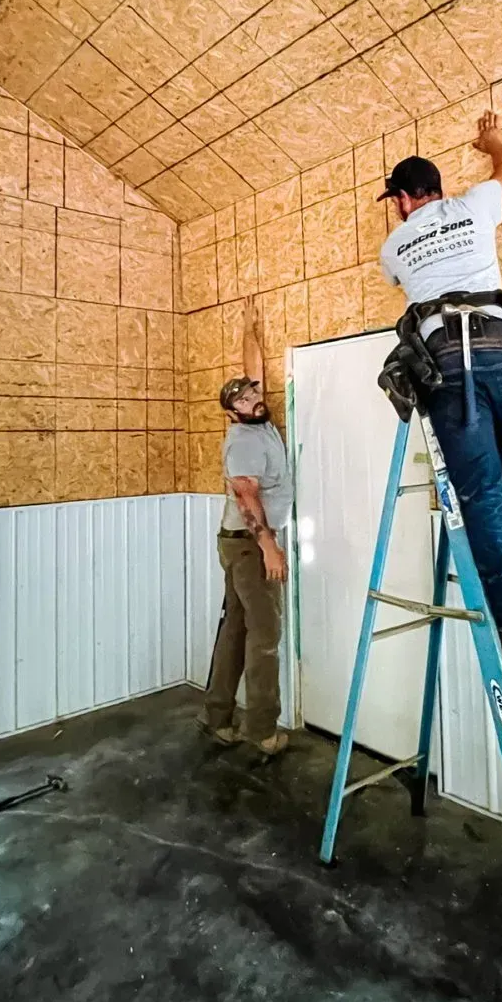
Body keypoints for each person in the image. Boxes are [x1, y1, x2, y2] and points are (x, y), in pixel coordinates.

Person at [378, 109, 502, 665]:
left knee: (483, 493)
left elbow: (396, 280)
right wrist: (490, 141)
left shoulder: (395, 246)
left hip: (447, 368)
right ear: (436, 189)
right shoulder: (474, 205)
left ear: (403, 199)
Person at [199, 296, 291, 755]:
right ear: (231, 412)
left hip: (238, 545)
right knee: (265, 636)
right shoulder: (242, 441)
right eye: (243, 399)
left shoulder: (261, 421)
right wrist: (270, 548)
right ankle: (261, 730)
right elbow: (246, 497)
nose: (255, 399)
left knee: (236, 629)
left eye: (254, 394)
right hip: (249, 544)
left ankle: (216, 714)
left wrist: (249, 327)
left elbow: (252, 370)